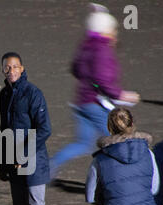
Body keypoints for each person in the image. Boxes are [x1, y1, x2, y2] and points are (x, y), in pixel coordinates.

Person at [49, 4, 140, 180]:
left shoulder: (85, 46)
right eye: (113, 29)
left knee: (82, 143)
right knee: (118, 141)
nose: (115, 32)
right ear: (106, 30)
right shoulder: (103, 50)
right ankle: (121, 179)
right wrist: (120, 94)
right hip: (95, 104)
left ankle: (51, 165)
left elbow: (75, 69)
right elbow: (102, 80)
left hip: (81, 102)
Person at [0, 52, 53, 205]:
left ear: (22, 68)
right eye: (7, 68)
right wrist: (3, 162)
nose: (11, 71)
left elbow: (44, 128)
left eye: (15, 67)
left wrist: (23, 154)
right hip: (13, 163)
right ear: (3, 71)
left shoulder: (33, 93)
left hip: (34, 162)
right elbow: (4, 129)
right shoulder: (5, 94)